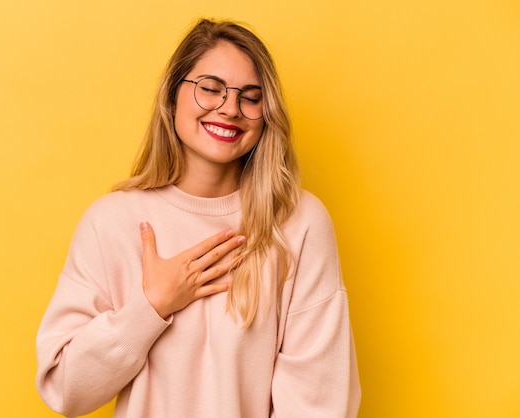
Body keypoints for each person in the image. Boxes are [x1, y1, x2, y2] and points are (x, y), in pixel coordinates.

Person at [36, 18, 361, 418]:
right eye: (210, 89)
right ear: (173, 98)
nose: (229, 109)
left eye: (251, 97)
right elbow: (66, 389)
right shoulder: (112, 222)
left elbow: (318, 401)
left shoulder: (299, 223)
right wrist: (151, 306)